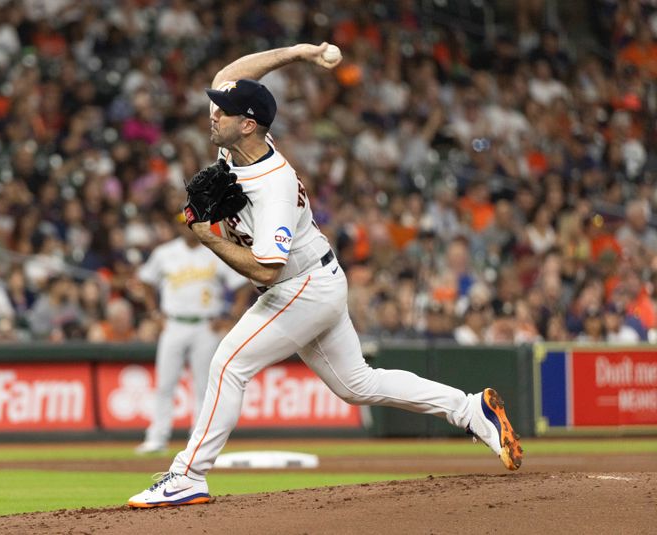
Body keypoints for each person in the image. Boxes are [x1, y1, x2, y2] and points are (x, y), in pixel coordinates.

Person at [127, 42, 523, 509]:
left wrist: (207, 236)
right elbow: (232, 70)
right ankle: (469, 408)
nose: (213, 114)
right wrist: (300, 52)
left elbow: (268, 270)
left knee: (229, 364)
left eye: (225, 112)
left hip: (298, 285)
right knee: (358, 384)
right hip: (316, 277)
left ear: (248, 124)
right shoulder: (246, 142)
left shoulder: (271, 184)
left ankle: (187, 476)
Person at [133, 214, 249, 455]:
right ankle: (157, 437)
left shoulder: (214, 250)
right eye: (182, 223)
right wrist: (154, 313)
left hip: (205, 326)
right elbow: (145, 281)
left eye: (192, 223)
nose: (187, 227)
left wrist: (229, 316)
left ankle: (198, 440)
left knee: (203, 387)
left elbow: (241, 285)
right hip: (173, 324)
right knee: (165, 383)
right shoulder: (164, 253)